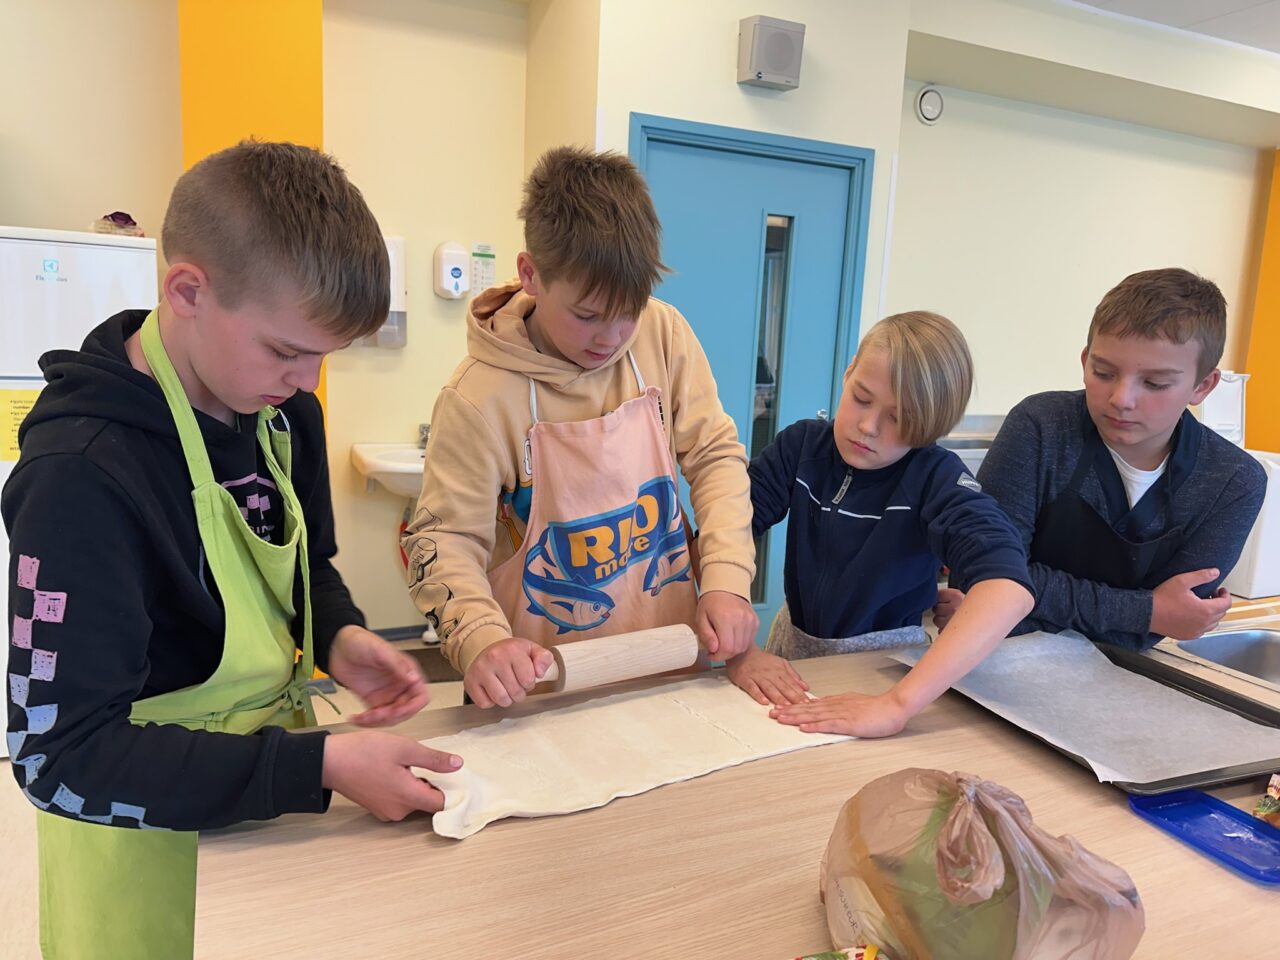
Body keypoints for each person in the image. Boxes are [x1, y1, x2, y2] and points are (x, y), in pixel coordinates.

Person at [4, 140, 461, 959]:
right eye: (286, 351)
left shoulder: (285, 418)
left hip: (268, 828)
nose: (309, 381)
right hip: (138, 861)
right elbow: (58, 757)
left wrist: (338, 634)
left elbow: (308, 567)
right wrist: (316, 767)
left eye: (325, 355)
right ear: (187, 290)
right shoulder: (82, 475)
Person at [403, 146, 758, 709]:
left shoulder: (664, 334)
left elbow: (715, 458)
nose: (611, 338)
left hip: (667, 663)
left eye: (629, 312)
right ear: (531, 275)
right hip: (539, 688)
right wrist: (481, 639)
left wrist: (726, 577)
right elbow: (446, 540)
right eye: (587, 315)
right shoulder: (477, 398)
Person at [728, 311, 1035, 737]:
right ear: (849, 372)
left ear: (931, 424)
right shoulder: (800, 447)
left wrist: (897, 705)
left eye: (899, 418)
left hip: (887, 673)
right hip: (793, 648)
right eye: (861, 397)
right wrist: (740, 649)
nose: (867, 427)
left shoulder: (936, 478)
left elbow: (1010, 589)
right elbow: (725, 532)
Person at [934, 268, 1266, 650]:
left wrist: (1016, 598)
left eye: (1155, 383)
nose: (1121, 399)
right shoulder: (1040, 426)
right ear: (1084, 361)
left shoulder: (1234, 481)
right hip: (994, 657)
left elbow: (1173, 618)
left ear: (1202, 386)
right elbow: (981, 581)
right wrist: (1146, 610)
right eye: (1104, 373)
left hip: (1122, 673)